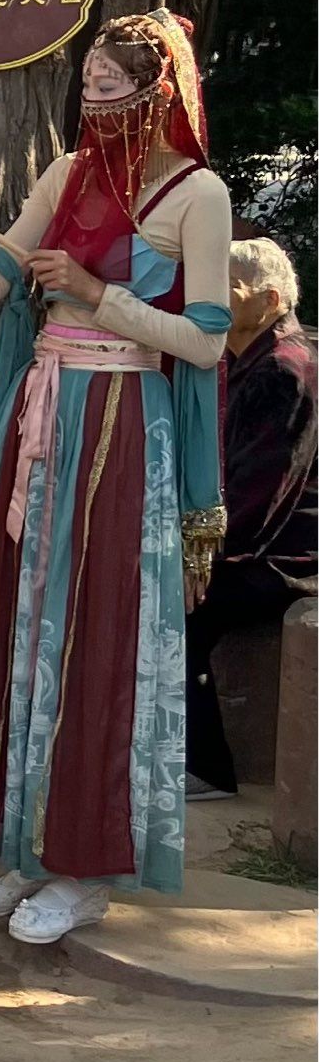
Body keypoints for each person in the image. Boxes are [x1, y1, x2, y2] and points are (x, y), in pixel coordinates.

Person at [0, 9, 230, 944]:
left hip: (123, 427)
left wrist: (97, 290)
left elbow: (202, 339)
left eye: (115, 88)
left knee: (101, 633)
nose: (97, 102)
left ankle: (89, 867)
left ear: (162, 97)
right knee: (27, 629)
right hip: (43, 422)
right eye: (89, 87)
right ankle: (23, 846)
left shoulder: (199, 195)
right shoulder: (64, 176)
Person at [186, 236, 314, 798]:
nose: (211, 293)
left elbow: (262, 494)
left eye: (227, 285)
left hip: (289, 555)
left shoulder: (283, 371)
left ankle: (206, 770)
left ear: (267, 299)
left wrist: (196, 557)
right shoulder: (243, 359)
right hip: (258, 540)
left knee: (179, 611)